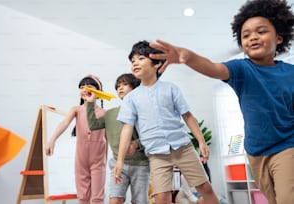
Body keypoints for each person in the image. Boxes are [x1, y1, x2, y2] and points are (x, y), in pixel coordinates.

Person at [149, 0, 294, 203]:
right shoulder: (242, 69)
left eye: (261, 32)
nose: (253, 37)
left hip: (287, 146)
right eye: (246, 35)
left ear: (279, 38)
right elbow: (213, 68)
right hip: (256, 152)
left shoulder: (290, 73)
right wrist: (188, 57)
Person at [113, 40, 219, 204]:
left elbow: (187, 116)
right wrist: (120, 161)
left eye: (140, 58)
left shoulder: (171, 88)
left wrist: (201, 140)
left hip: (183, 148)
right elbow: (126, 130)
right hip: (156, 155)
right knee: (161, 198)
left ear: (156, 64)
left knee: (205, 187)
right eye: (132, 61)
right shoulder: (131, 99)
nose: (135, 63)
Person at [86, 73, 150, 204]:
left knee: (140, 201)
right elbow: (93, 125)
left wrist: (136, 144)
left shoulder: (145, 112)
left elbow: (150, 136)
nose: (120, 88)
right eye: (118, 86)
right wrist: (91, 102)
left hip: (141, 165)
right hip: (117, 164)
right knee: (114, 200)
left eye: (125, 84)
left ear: (136, 88)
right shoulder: (110, 114)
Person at [45, 75, 107, 204]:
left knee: (97, 197)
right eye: (81, 87)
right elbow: (64, 123)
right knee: (83, 195)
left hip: (98, 158)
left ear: (98, 92)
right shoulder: (76, 110)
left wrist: (109, 158)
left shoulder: (104, 113)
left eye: (89, 87)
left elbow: (108, 138)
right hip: (81, 157)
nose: (85, 89)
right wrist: (52, 140)